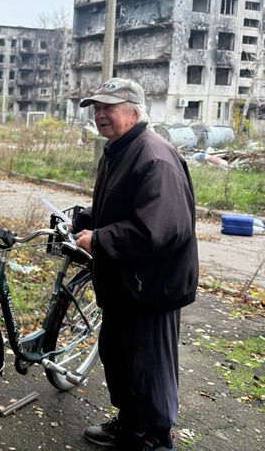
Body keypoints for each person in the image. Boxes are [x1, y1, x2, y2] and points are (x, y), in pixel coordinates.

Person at [73, 78, 199, 451]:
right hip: (126, 283)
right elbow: (126, 206)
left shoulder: (154, 157)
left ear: (134, 111)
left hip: (151, 287)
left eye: (108, 107)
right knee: (120, 358)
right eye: (96, 108)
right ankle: (130, 426)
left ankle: (155, 439)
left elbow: (158, 230)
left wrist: (100, 239)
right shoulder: (120, 149)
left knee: (149, 370)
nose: (100, 115)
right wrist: (87, 219)